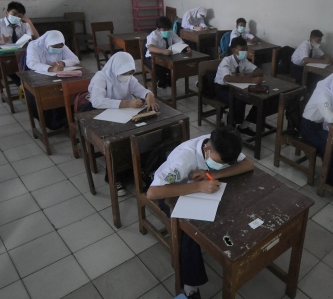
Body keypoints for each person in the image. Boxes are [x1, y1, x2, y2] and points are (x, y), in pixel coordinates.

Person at [147, 126, 254, 299]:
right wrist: (198, 186)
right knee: (192, 227)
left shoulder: (225, 144)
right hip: (171, 193)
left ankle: (228, 249)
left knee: (231, 205)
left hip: (200, 187)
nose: (223, 165)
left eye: (227, 163)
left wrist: (213, 173)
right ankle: (190, 285)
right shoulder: (183, 159)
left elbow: (248, 165)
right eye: (219, 163)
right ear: (206, 149)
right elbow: (153, 192)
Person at [89, 51, 159, 195]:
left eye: (131, 72)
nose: (128, 75)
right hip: (105, 116)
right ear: (116, 68)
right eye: (125, 72)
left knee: (143, 135)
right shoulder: (101, 78)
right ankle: (115, 178)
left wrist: (149, 94)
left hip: (126, 114)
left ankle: (140, 166)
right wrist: (126, 103)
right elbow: (96, 101)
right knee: (118, 142)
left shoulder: (129, 78)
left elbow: (139, 89)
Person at [214, 37, 266, 136]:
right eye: (242, 50)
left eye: (246, 49)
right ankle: (231, 124)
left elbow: (259, 71)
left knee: (257, 99)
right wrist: (251, 80)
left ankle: (242, 125)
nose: (245, 52)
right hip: (222, 89)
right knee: (240, 100)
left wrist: (248, 76)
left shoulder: (243, 61)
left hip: (237, 87)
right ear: (234, 50)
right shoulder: (226, 61)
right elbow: (228, 78)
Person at [0, 1, 40, 84]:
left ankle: (27, 84)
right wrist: (2, 41)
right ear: (7, 13)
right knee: (12, 68)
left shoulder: (23, 24)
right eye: (13, 14)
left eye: (19, 16)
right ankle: (24, 86)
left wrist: (29, 22)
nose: (16, 17)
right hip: (5, 56)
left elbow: (37, 38)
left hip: (21, 54)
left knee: (31, 64)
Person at [145, 16, 191, 89]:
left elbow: (179, 41)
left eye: (168, 29)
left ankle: (167, 81)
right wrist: (163, 51)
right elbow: (150, 47)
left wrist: (186, 47)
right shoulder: (153, 35)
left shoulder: (171, 33)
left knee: (177, 67)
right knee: (159, 69)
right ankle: (164, 81)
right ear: (158, 29)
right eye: (164, 29)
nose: (167, 31)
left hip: (166, 57)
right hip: (152, 58)